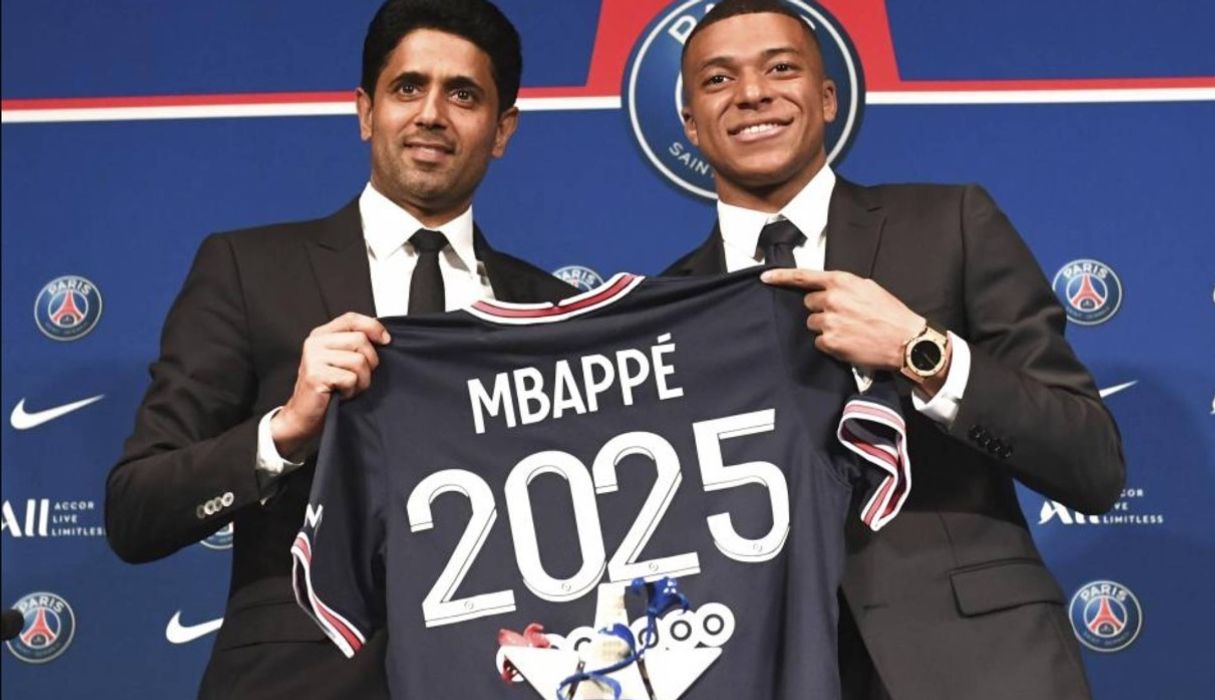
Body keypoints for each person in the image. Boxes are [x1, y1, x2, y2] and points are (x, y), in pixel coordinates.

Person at [104, 1, 573, 697]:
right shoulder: (249, 270)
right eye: (407, 87)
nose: (431, 114)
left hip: (493, 676)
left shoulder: (552, 312)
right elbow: (135, 512)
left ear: (502, 129)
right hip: (297, 679)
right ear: (365, 111)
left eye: (463, 95)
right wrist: (285, 432)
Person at [663, 1, 1126, 698]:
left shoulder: (950, 223)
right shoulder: (664, 307)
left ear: (827, 99)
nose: (752, 93)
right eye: (718, 79)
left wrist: (921, 350)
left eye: (780, 68)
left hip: (976, 665)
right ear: (691, 124)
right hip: (766, 668)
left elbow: (1091, 464)